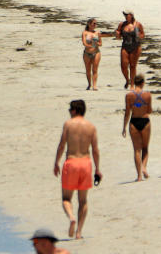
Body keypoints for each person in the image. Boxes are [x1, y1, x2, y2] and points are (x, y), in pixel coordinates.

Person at [54, 99, 100, 240]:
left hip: (72, 162)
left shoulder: (68, 124)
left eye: (70, 110)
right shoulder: (91, 127)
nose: (69, 112)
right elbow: (95, 150)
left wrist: (56, 162)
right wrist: (98, 169)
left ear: (74, 110)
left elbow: (62, 145)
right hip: (86, 164)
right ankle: (79, 232)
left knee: (66, 198)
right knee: (83, 201)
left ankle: (71, 217)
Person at [122, 74, 153, 182]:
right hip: (145, 121)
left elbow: (127, 113)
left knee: (136, 150)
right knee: (145, 148)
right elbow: (149, 111)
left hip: (133, 121)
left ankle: (139, 176)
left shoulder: (129, 96)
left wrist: (124, 127)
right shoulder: (147, 95)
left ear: (134, 82)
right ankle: (144, 167)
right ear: (143, 83)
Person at [113, 10, 144, 89]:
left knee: (133, 66)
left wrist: (139, 36)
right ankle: (127, 80)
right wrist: (117, 34)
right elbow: (118, 34)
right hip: (125, 45)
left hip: (135, 46)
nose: (126, 16)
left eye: (127, 15)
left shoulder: (138, 24)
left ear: (131, 15)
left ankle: (132, 84)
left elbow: (143, 34)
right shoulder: (122, 24)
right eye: (125, 15)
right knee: (124, 65)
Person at [81, 18, 101, 91]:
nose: (95, 25)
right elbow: (84, 43)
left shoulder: (97, 33)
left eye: (96, 24)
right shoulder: (85, 33)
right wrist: (89, 45)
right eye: (94, 23)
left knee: (95, 69)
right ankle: (89, 84)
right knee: (88, 69)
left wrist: (95, 43)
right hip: (87, 53)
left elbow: (100, 43)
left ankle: (94, 85)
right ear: (89, 24)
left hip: (96, 52)